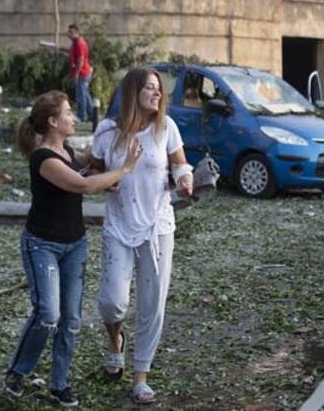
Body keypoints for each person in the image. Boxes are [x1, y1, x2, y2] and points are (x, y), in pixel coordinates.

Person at [5, 91, 142, 407]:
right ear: (53, 122)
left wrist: (106, 151)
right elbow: (80, 185)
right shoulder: (43, 159)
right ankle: (18, 371)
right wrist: (123, 170)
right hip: (42, 245)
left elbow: (87, 164)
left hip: (75, 244)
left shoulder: (65, 150)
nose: (74, 117)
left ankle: (60, 384)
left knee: (71, 319)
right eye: (68, 113)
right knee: (48, 315)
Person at [91, 67, 194, 405]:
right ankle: (115, 341)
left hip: (157, 227)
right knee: (112, 301)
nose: (157, 94)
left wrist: (185, 178)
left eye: (158, 89)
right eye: (149, 88)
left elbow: (179, 164)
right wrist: (107, 178)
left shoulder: (166, 128)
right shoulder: (107, 132)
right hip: (119, 226)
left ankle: (140, 376)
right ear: (132, 92)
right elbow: (93, 169)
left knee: (153, 305)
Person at [67, 24, 93, 122]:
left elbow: (81, 60)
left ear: (77, 33)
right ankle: (91, 115)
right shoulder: (75, 43)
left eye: (71, 32)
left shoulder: (79, 43)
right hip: (82, 72)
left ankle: (82, 116)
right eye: (68, 32)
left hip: (82, 73)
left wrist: (76, 74)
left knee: (81, 95)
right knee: (85, 94)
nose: (69, 34)